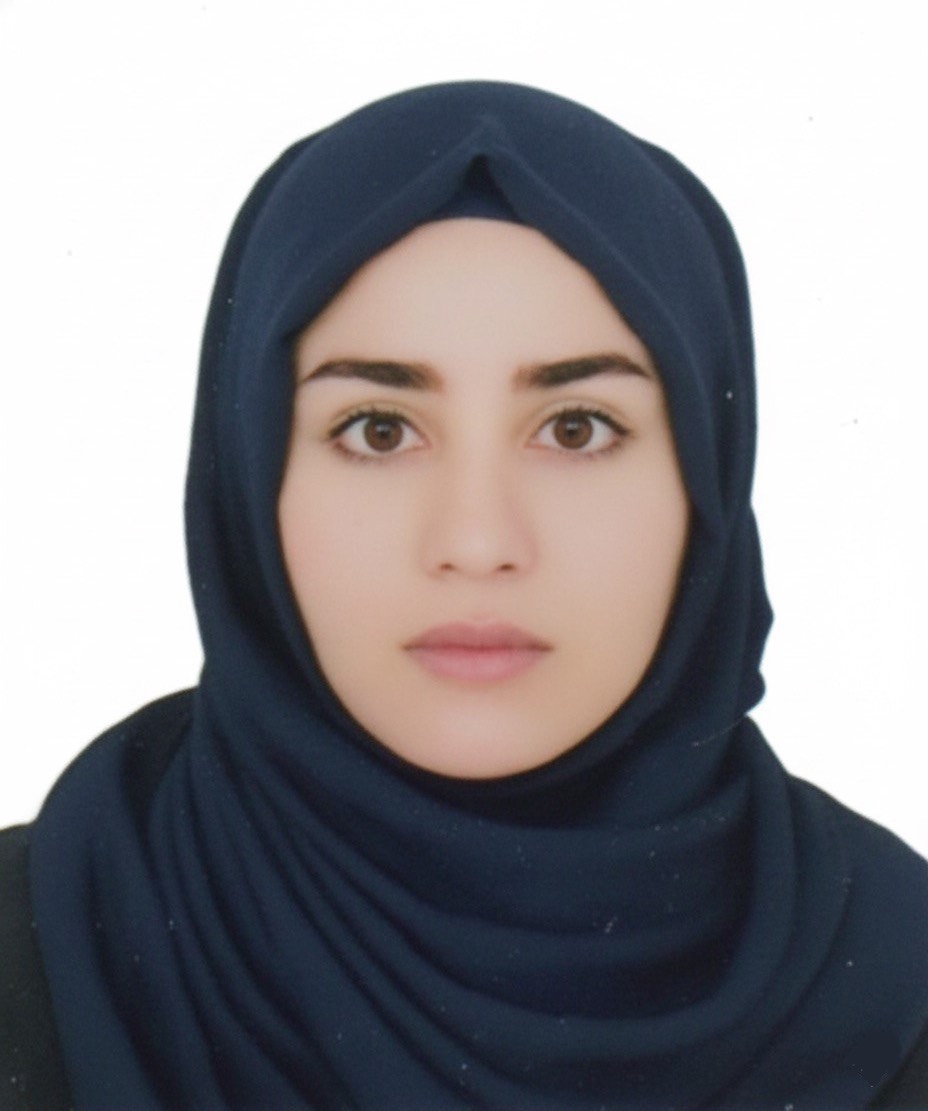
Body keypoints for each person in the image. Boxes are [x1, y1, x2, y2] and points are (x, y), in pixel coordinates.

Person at [1, 81, 926, 1111]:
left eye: (576, 428)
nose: (477, 542)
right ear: (249, 478)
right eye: (379, 430)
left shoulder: (900, 984)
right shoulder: (44, 952)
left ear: (705, 483)